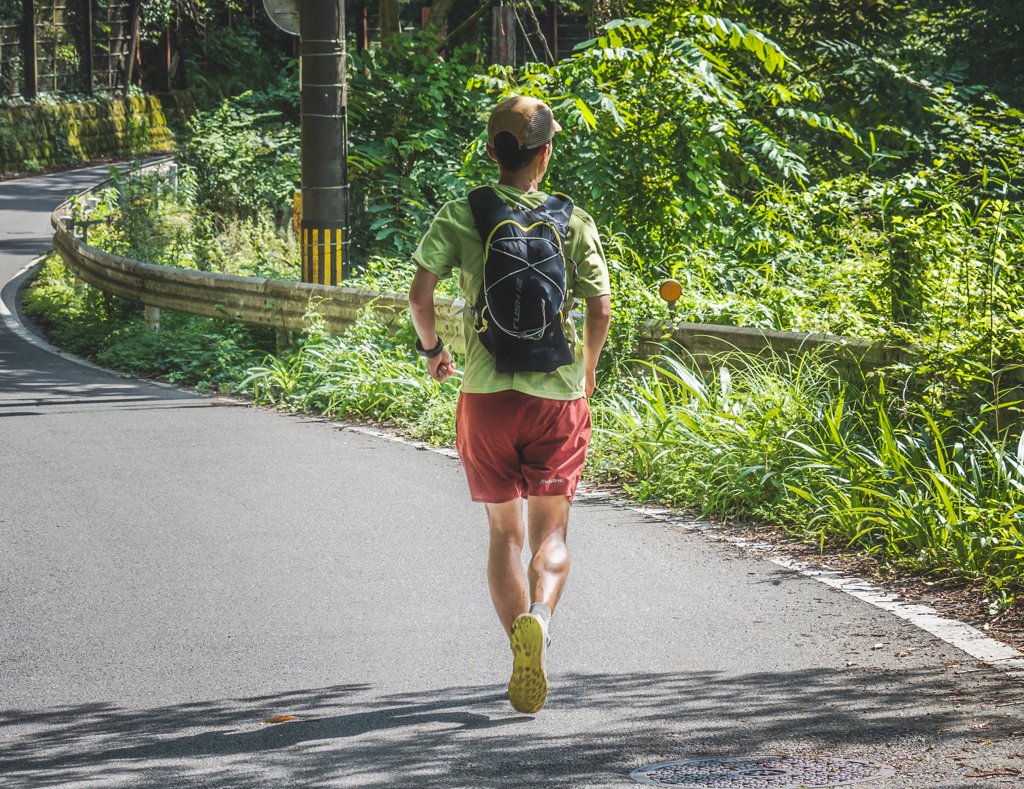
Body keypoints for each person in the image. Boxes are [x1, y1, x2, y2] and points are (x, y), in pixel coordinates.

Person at [408, 96, 611, 714]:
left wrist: (434, 351)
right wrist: (587, 375)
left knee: (504, 536)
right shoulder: (573, 221)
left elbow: (420, 294)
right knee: (552, 532)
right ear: (544, 154)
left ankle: (520, 642)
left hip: (486, 398)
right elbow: (600, 310)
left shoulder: (464, 213)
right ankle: (542, 623)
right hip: (555, 397)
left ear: (494, 152)